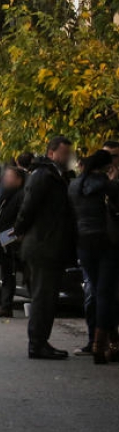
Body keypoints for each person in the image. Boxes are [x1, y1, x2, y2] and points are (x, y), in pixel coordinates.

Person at [14, 135, 76, 360]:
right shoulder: (43, 176)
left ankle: (41, 341)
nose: (67, 157)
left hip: (50, 244)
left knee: (48, 297)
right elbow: (28, 207)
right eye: (64, 153)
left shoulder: (57, 176)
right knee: (43, 296)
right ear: (52, 153)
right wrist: (19, 230)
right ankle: (37, 343)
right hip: (43, 245)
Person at [68, 150, 119, 364]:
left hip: (83, 242)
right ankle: (101, 343)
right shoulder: (106, 185)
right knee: (106, 293)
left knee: (96, 290)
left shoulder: (74, 186)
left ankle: (103, 342)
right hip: (106, 242)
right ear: (107, 166)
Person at [0, 166, 26, 318]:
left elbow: (20, 220)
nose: (6, 180)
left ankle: (7, 305)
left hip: (12, 240)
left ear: (19, 180)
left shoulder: (20, 195)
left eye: (10, 177)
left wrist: (5, 238)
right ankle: (6, 305)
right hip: (5, 240)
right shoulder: (7, 195)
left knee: (13, 272)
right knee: (6, 274)